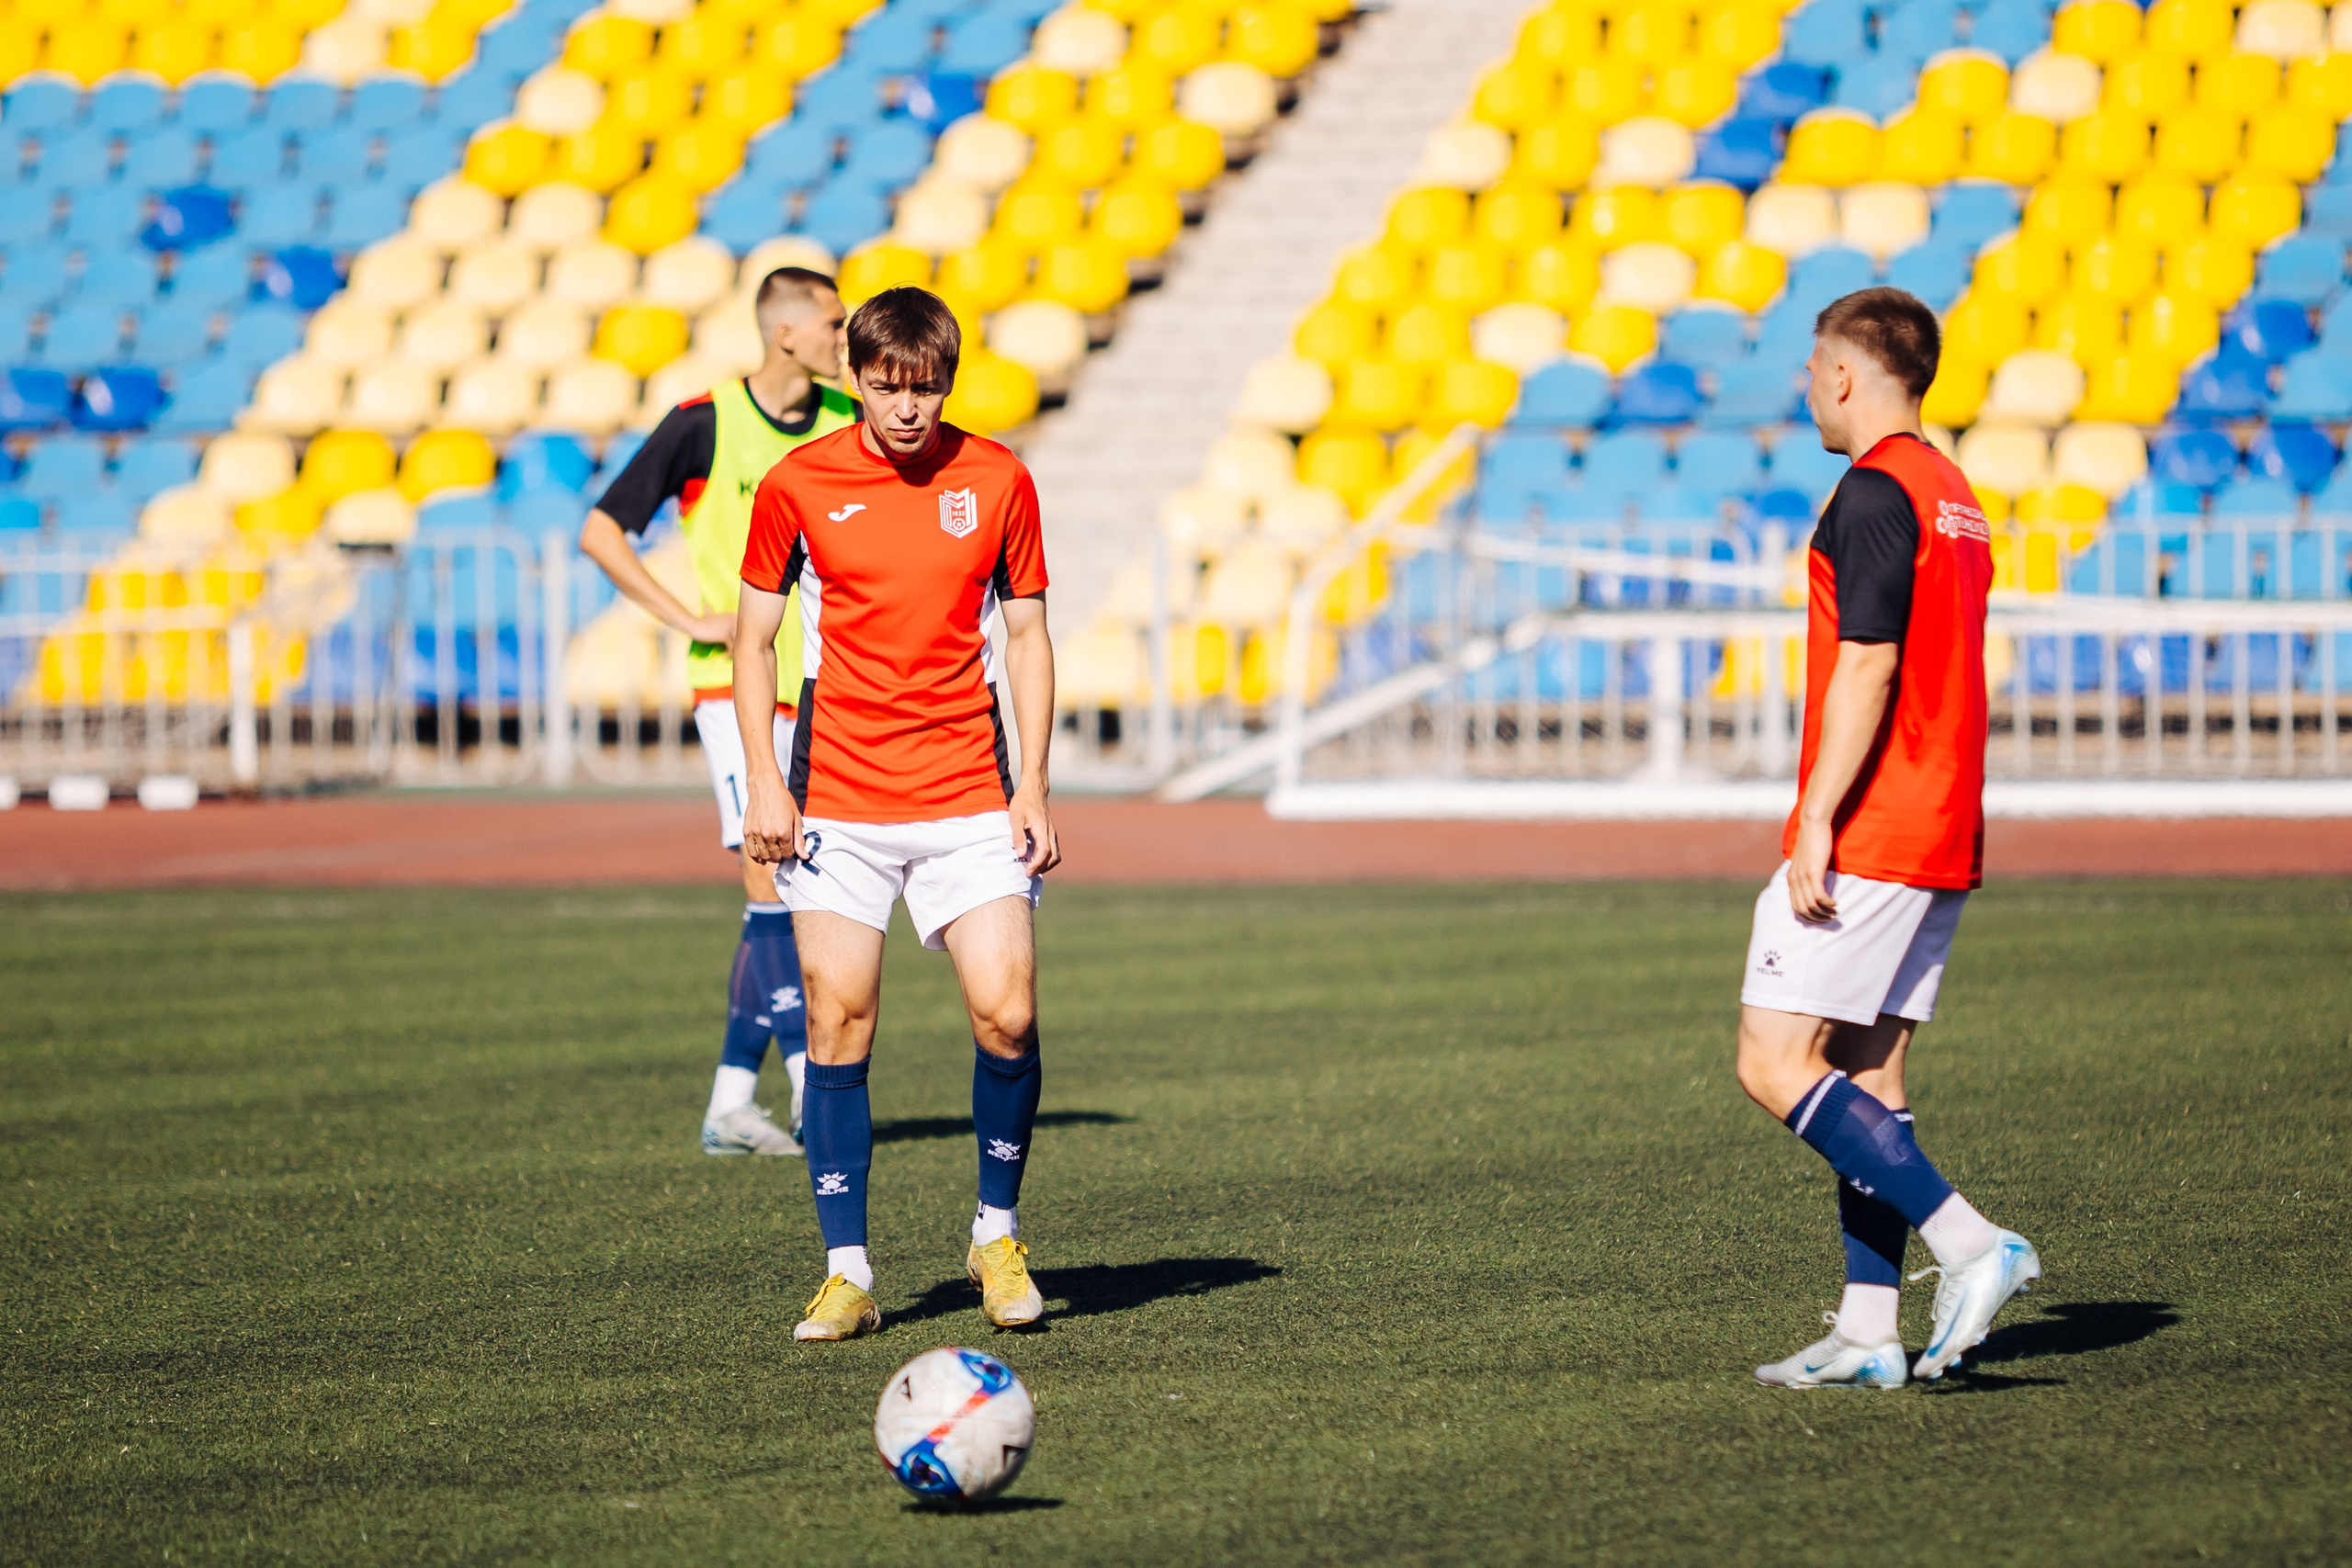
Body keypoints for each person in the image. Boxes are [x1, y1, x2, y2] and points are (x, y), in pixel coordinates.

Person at [732, 285, 1060, 1342]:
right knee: (838, 1020)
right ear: (856, 380)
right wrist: (766, 780)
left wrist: (1033, 784)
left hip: (969, 792)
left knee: (1007, 1012)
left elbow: (1027, 637)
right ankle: (849, 1274)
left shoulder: (999, 478)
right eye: (886, 387)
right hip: (840, 796)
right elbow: (751, 641)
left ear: (948, 383)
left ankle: (995, 1236)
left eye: (925, 389)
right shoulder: (797, 483)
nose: (907, 408)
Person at [1736, 288, 2041, 1389]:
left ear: (1843, 374)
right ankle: (1870, 1330)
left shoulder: (1872, 490)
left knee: (1772, 1062)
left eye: (1811, 366)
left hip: (1878, 819)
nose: (1806, 386)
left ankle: (1970, 1243)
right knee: (1869, 1074)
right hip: (1943, 818)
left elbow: (1867, 665)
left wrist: (1816, 814)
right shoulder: (1953, 492)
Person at [576, 266, 855, 1158]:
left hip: (829, 686)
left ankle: (732, 1103)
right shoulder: (705, 422)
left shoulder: (847, 419)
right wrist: (688, 617)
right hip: (736, 690)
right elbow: (600, 531)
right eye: (834, 323)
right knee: (771, 873)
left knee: (792, 889)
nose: (845, 336)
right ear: (786, 333)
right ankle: (811, 1079)